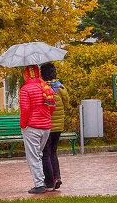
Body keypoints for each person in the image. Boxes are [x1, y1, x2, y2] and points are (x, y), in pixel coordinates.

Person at [19, 64, 55, 194]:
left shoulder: (25, 89)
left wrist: (23, 125)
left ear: (27, 74)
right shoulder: (46, 87)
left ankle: (39, 184)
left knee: (33, 157)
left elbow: (25, 110)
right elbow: (52, 107)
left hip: (32, 127)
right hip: (46, 127)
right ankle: (43, 181)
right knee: (39, 154)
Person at [40, 62, 69, 191]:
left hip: (48, 124)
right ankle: (57, 177)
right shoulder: (61, 88)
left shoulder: (44, 88)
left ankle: (50, 181)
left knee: (46, 152)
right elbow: (66, 105)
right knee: (54, 152)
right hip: (59, 126)